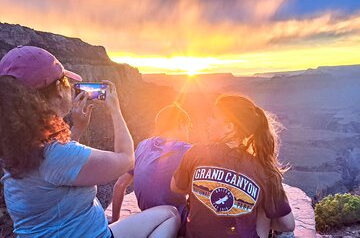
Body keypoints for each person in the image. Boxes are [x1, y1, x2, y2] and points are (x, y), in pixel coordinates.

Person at [0, 46, 180, 238]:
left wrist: (77, 129)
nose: (69, 86)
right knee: (170, 215)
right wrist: (116, 110)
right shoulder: (55, 155)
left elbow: (61, 173)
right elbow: (127, 159)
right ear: (59, 90)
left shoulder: (20, 148)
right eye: (66, 82)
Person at [171, 95, 295, 238]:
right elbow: (288, 224)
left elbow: (176, 187)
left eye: (213, 117)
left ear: (229, 127)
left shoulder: (195, 153)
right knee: (263, 209)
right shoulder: (265, 170)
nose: (208, 121)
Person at [112, 103, 192, 235]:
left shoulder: (143, 145)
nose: (188, 132)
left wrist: (115, 221)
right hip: (175, 218)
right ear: (181, 124)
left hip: (148, 216)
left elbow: (120, 185)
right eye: (188, 127)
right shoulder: (187, 150)